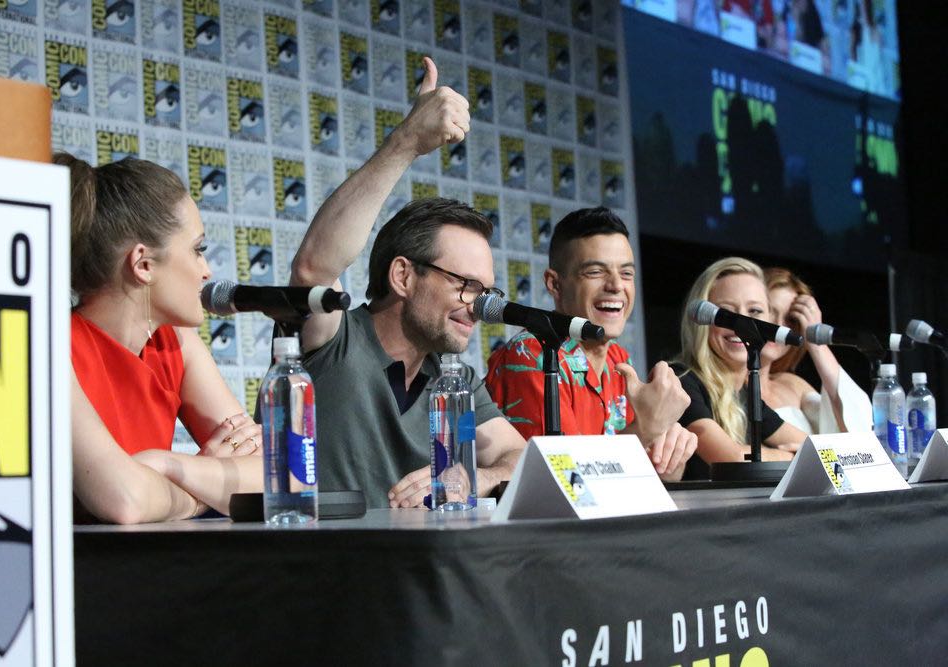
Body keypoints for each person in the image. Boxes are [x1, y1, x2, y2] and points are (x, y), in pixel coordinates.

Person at [288, 57, 525, 509]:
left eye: (485, 290)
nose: (478, 306)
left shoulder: (456, 381)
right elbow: (312, 267)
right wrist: (406, 143)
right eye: (464, 284)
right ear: (403, 275)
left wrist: (478, 476)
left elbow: (519, 455)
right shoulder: (335, 338)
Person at [60, 153, 263, 524]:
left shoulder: (176, 343)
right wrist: (202, 492)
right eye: (197, 250)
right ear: (144, 264)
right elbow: (126, 501)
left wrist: (166, 464)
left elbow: (283, 478)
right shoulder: (50, 345)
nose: (208, 271)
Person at [484, 207, 696, 481]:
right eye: (596, 272)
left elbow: (656, 480)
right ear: (555, 284)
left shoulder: (619, 359)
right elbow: (568, 481)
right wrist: (646, 429)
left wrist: (671, 453)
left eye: (627, 273)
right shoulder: (533, 352)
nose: (616, 285)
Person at [673, 257, 807, 479]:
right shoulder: (681, 379)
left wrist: (793, 454)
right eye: (726, 312)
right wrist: (791, 457)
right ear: (702, 319)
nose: (742, 323)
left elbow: (815, 450)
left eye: (754, 311)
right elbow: (732, 460)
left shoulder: (745, 392)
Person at [759, 267, 872, 434]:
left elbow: (858, 429)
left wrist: (815, 341)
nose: (779, 326)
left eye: (791, 319)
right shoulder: (723, 388)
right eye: (769, 311)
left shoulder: (792, 385)